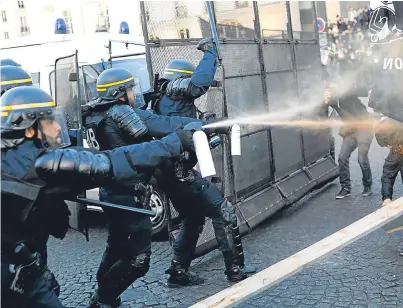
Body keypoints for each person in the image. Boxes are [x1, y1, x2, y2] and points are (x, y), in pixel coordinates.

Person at [1, 86, 195, 308]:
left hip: (22, 267)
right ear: (27, 127)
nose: (56, 127)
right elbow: (110, 162)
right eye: (49, 121)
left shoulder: (12, 157)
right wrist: (173, 143)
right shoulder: (38, 163)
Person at [82, 67, 206, 307]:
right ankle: (104, 297)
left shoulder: (98, 115)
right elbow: (148, 138)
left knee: (116, 246)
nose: (133, 94)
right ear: (119, 93)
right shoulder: (120, 114)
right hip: (129, 195)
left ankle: (104, 292)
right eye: (129, 89)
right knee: (139, 259)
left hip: (112, 192)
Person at [152, 38, 256, 286]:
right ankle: (235, 270)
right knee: (224, 211)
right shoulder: (173, 91)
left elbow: (187, 133)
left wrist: (214, 129)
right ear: (180, 80)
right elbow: (199, 84)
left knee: (193, 217)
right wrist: (210, 54)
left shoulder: (168, 102)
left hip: (171, 172)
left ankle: (178, 272)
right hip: (179, 174)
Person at [324, 71, 373, 199]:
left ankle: (367, 185)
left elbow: (361, 90)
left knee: (362, 159)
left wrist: (369, 90)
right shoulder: (333, 100)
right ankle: (345, 188)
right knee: (342, 157)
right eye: (329, 87)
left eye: (333, 86)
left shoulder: (348, 92)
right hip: (350, 130)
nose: (330, 89)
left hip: (364, 128)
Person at [375, 118, 403, 256]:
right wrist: (386, 198)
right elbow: (388, 173)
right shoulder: (397, 148)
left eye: (388, 144)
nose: (389, 148)